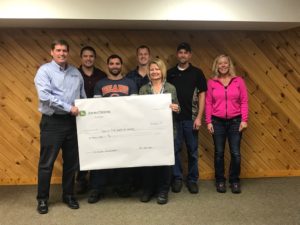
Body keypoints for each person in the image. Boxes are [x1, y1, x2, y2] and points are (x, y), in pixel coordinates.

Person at [34, 39, 86, 214]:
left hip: (72, 123)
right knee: (46, 163)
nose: (62, 53)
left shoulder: (75, 73)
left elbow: (82, 96)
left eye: (64, 50)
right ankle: (42, 199)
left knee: (71, 163)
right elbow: (45, 97)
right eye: (58, 50)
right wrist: (68, 108)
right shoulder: (44, 71)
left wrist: (90, 109)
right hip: (53, 122)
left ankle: (68, 195)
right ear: (52, 52)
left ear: (68, 52)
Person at [88, 54, 137, 203]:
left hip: (124, 127)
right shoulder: (100, 84)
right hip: (105, 128)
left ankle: (122, 186)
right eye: (112, 63)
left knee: (124, 157)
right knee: (101, 157)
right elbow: (97, 107)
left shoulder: (131, 83)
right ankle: (97, 189)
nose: (115, 66)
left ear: (121, 65)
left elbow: (135, 107)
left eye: (117, 63)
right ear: (108, 66)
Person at [167, 42, 207, 194]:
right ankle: (177, 179)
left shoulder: (197, 73)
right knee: (175, 150)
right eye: (180, 52)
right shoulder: (170, 73)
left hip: (191, 119)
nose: (183, 55)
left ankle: (192, 180)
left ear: (190, 55)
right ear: (177, 55)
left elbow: (203, 95)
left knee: (192, 151)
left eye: (186, 52)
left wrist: (199, 117)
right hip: (174, 120)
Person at [205, 54, 248, 194]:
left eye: (225, 63)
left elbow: (244, 101)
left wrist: (244, 120)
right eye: (220, 63)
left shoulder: (238, 81)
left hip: (236, 121)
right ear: (216, 66)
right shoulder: (211, 82)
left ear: (229, 65)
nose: (223, 65)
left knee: (235, 153)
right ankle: (220, 181)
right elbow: (208, 102)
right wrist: (208, 121)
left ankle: (234, 180)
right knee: (219, 153)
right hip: (217, 122)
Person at [139, 58, 180, 204]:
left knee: (165, 163)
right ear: (149, 72)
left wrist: (175, 108)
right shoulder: (143, 89)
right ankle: (148, 190)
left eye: (157, 69)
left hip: (166, 132)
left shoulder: (171, 88)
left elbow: (177, 107)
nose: (154, 72)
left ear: (162, 71)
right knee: (148, 163)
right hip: (149, 133)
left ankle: (163, 191)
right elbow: (140, 111)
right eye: (152, 70)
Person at [76, 46, 106, 194]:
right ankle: (81, 180)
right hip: (77, 118)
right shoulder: (73, 74)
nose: (88, 59)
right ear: (81, 58)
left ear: (94, 58)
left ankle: (96, 181)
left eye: (91, 56)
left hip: (97, 119)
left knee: (97, 149)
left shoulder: (101, 75)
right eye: (85, 56)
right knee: (80, 150)